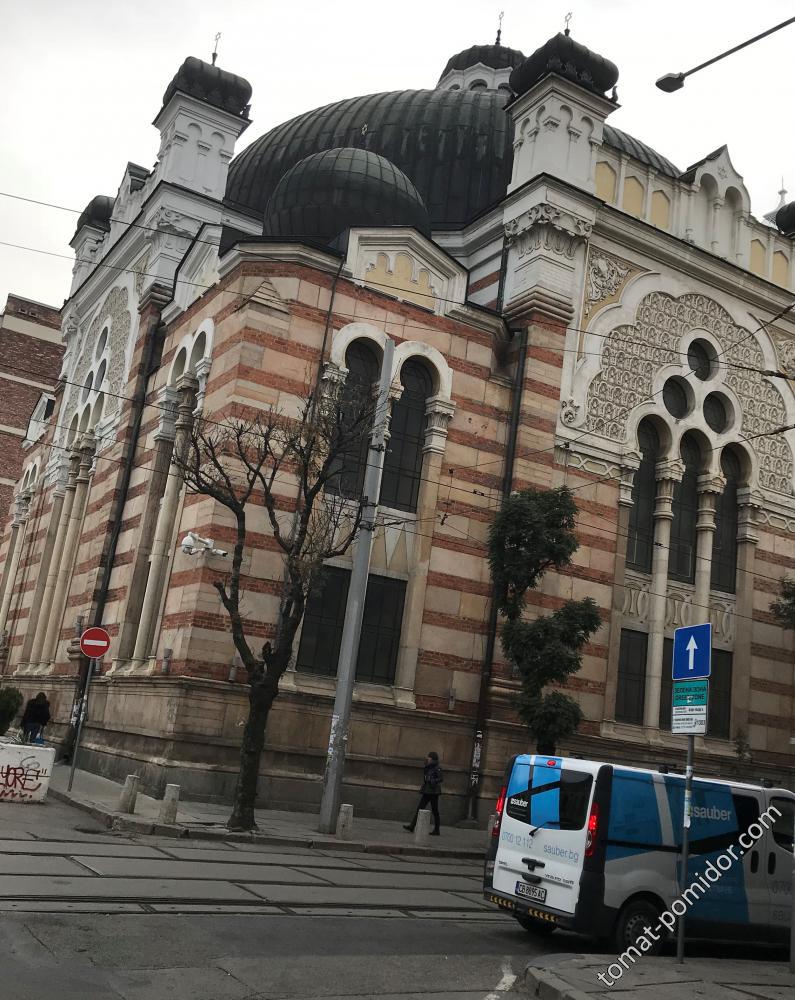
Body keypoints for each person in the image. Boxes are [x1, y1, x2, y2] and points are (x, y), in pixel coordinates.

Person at [403, 751, 442, 836]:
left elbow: (440, 779)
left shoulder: (437, 767)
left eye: (429, 757)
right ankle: (412, 826)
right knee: (420, 808)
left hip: (433, 792)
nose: (427, 758)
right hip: (427, 790)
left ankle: (437, 829)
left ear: (432, 758)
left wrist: (432, 780)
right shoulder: (428, 766)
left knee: (435, 811)